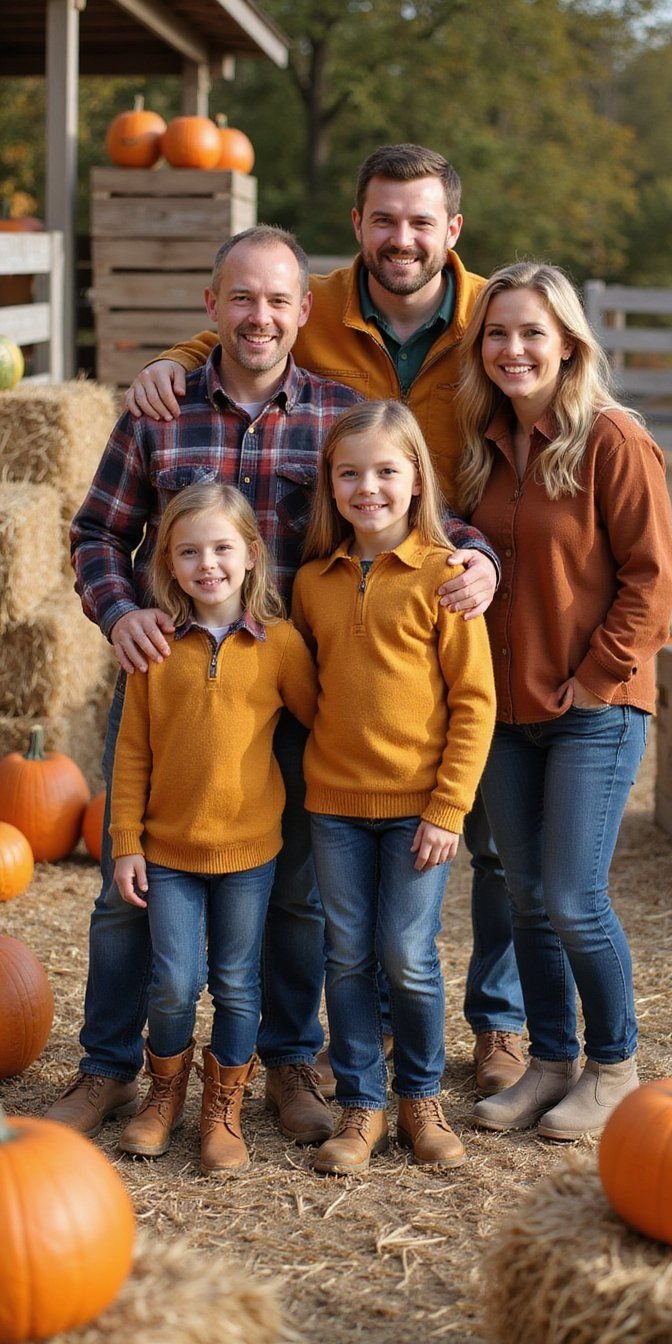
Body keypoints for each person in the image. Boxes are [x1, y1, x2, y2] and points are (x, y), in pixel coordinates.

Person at [49, 223, 495, 1142]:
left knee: (293, 893)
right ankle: (108, 1067)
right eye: (241, 298)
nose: (260, 316)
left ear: (304, 312)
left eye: (278, 300)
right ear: (213, 309)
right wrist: (119, 610)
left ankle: (290, 1066)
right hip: (170, 681)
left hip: (297, 691)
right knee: (124, 892)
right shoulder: (160, 410)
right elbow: (96, 533)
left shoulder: (336, 412)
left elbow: (410, 501)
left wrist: (477, 561)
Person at [125, 143, 526, 1097]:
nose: (402, 237)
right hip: (248, 638)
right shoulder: (311, 315)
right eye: (384, 219)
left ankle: (466, 1032)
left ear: (452, 232)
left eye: (421, 221)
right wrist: (178, 360)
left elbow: (416, 484)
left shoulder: (485, 326)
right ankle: (195, 1062)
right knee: (240, 886)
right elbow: (243, 324)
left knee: (445, 863)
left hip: (389, 613)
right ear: (357, 226)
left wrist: (481, 556)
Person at [452, 262, 672, 1141]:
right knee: (524, 899)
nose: (513, 349)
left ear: (569, 344)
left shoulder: (612, 441)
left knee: (574, 896)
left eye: (532, 333)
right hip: (506, 714)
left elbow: (652, 582)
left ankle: (613, 1065)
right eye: (498, 333)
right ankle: (550, 1061)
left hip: (596, 708)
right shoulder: (484, 446)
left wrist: (593, 679)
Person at [291, 401, 496, 1175]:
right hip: (334, 808)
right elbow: (313, 691)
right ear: (331, 486)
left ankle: (420, 1098)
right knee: (345, 958)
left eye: (385, 470)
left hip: (419, 812)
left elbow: (474, 702)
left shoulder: (446, 576)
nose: (367, 486)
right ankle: (362, 1104)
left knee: (407, 955)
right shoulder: (314, 582)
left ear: (416, 480)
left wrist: (448, 807)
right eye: (350, 473)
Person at [110, 482, 317, 1174]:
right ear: (167, 563)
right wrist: (125, 843)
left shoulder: (281, 645)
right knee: (172, 981)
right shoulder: (155, 648)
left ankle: (222, 1107)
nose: (208, 564)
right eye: (189, 551)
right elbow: (131, 752)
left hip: (250, 853)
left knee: (236, 982)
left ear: (252, 555)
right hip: (168, 853)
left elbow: (324, 721)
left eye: (222, 547)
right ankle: (163, 1095)